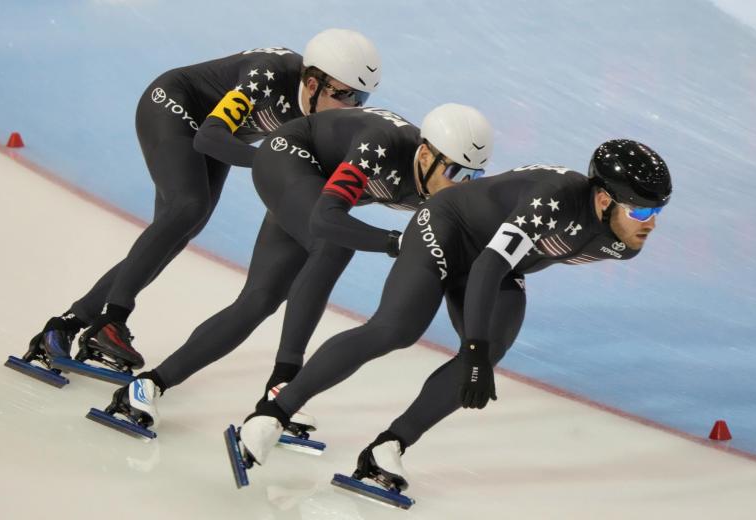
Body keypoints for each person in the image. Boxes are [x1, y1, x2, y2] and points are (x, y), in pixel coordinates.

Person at [236, 139, 673, 496]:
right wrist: (474, 347)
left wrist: (482, 351)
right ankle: (271, 414)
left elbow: (502, 265)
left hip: (497, 261)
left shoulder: (625, 243)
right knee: (396, 329)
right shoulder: (554, 200)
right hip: (448, 228)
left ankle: (387, 447)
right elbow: (486, 266)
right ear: (602, 199)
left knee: (492, 349)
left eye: (657, 212)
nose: (650, 223)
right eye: (641, 211)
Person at [94, 103, 495, 437]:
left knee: (258, 301)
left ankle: (149, 384)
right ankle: (284, 378)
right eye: (457, 172)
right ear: (425, 155)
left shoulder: (441, 185)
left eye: (474, 176)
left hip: (315, 189)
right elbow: (325, 221)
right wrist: (391, 242)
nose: (463, 184)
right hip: (287, 159)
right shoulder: (381, 146)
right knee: (336, 241)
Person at [16, 29, 382, 378]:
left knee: (179, 230)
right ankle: (112, 320)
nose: (351, 106)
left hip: (223, 133)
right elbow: (209, 138)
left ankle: (66, 325)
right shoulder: (268, 75)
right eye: (346, 94)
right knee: (187, 207)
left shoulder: (323, 112)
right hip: (174, 108)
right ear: (313, 83)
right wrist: (271, 161)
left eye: (361, 99)